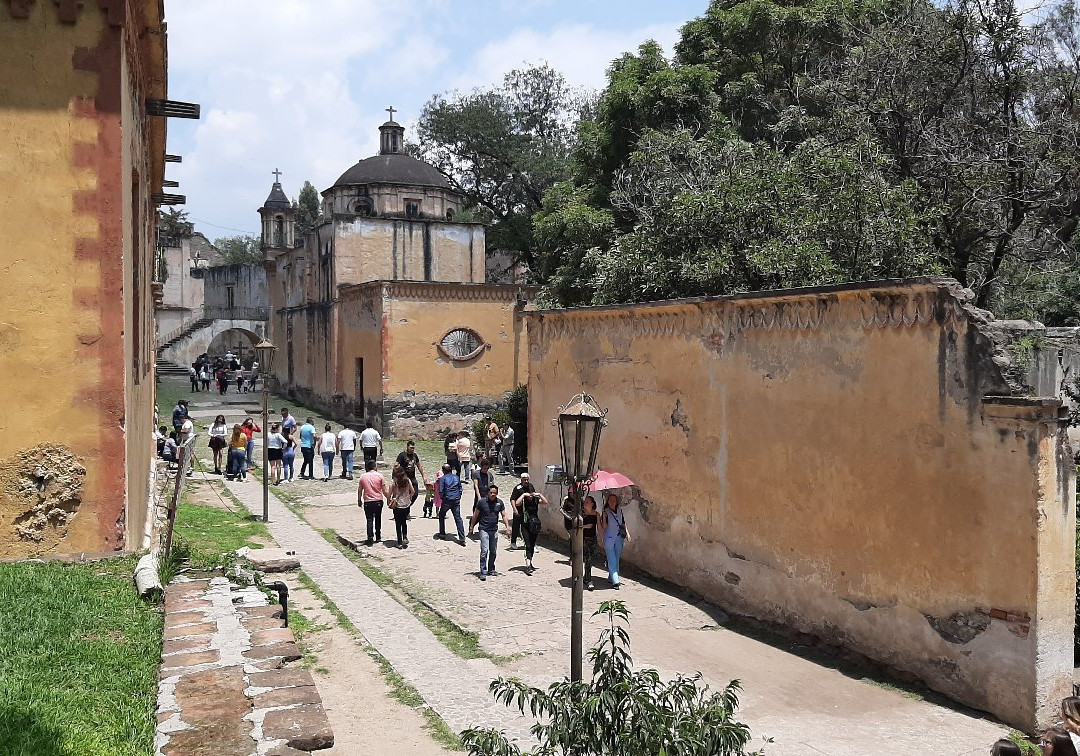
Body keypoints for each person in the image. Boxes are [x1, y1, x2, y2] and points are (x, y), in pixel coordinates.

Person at [469, 484, 511, 581]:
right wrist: (472, 526)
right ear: (488, 493)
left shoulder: (499, 503)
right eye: (491, 492)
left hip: (494, 530)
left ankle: (491, 569)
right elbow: (475, 515)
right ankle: (483, 571)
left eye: (495, 493)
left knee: (493, 551)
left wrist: (507, 527)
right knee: (484, 551)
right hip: (484, 529)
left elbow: (504, 515)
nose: (493, 494)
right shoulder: (481, 502)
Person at [600, 493, 630, 589]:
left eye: (614, 500)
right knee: (611, 558)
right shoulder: (605, 512)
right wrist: (604, 517)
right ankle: (615, 580)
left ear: (616, 502)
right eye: (610, 500)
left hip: (619, 538)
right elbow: (604, 527)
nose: (612, 502)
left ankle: (611, 576)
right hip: (609, 538)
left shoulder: (619, 511)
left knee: (616, 558)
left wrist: (628, 534)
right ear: (608, 502)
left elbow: (623, 523)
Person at [358, 459, 387, 545]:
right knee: (378, 518)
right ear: (375, 467)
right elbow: (384, 490)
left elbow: (360, 490)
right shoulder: (380, 476)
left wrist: (359, 499)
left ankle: (370, 537)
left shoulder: (363, 477)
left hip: (368, 501)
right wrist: (389, 498)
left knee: (369, 520)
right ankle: (378, 536)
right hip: (378, 500)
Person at [520, 491, 548, 574]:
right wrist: (524, 495)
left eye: (531, 494)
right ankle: (528, 565)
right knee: (527, 544)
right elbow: (517, 503)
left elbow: (545, 502)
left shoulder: (536, 501)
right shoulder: (523, 501)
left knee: (532, 545)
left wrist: (539, 495)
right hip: (525, 525)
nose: (530, 496)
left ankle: (530, 561)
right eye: (529, 494)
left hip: (534, 525)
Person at [437, 463, 465, 544]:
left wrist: (443, 498)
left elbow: (441, 491)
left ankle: (442, 533)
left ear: (443, 470)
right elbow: (460, 489)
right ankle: (462, 537)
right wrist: (458, 496)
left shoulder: (443, 479)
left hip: (447, 500)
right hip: (456, 500)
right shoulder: (456, 477)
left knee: (441, 515)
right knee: (458, 518)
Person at [388, 463, 415, 548]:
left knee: (398, 523)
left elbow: (389, 494)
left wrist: (390, 500)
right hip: (406, 504)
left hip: (397, 505)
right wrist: (409, 497)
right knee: (404, 522)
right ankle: (405, 536)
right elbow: (413, 491)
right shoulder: (407, 480)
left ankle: (399, 542)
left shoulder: (394, 482)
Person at [395, 440, 427, 508]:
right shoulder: (402, 455)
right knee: (403, 493)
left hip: (412, 477)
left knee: (415, 494)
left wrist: (423, 476)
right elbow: (396, 465)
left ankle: (408, 506)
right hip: (404, 478)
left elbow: (419, 466)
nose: (412, 449)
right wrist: (396, 475)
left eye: (413, 448)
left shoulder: (414, 455)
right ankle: (403, 508)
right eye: (411, 447)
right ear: (407, 447)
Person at [508, 473, 534, 550]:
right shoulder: (518, 488)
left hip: (528, 510)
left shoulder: (531, 486)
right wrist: (515, 509)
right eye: (524, 480)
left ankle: (528, 543)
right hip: (519, 510)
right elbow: (512, 499)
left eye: (527, 479)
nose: (526, 481)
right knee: (516, 527)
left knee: (527, 527)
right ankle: (513, 542)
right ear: (521, 480)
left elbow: (532, 495)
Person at [582, 495, 600, 590]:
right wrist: (585, 526)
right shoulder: (581, 513)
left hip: (592, 539)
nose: (585, 503)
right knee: (587, 559)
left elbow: (599, 528)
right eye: (585, 501)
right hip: (583, 539)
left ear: (592, 504)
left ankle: (586, 577)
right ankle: (588, 580)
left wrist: (601, 538)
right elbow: (575, 525)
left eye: (588, 502)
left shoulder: (596, 514)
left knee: (590, 559)